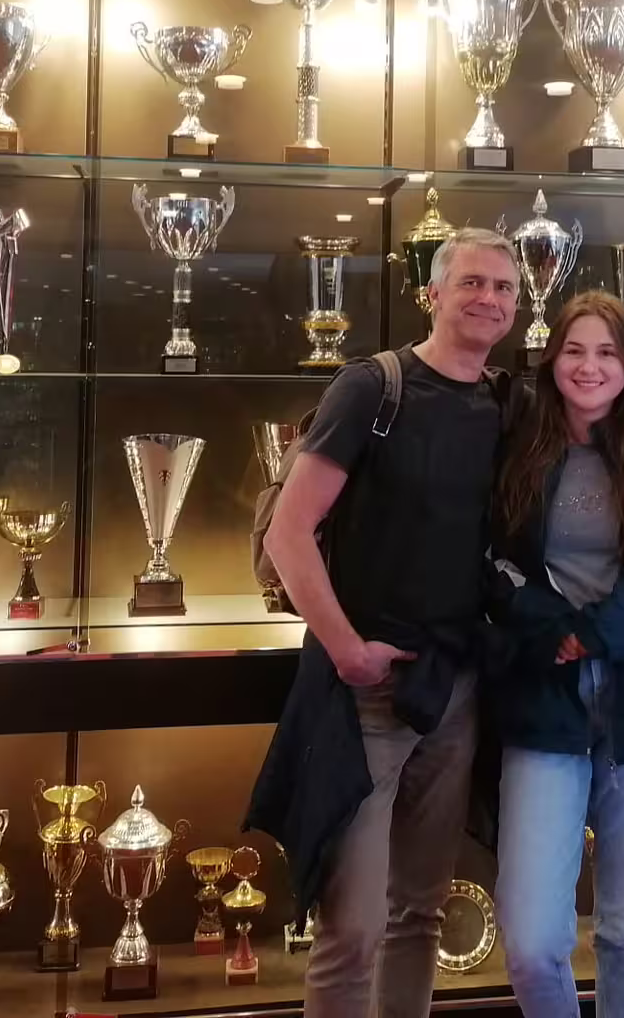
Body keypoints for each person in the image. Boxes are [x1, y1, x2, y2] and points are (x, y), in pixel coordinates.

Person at [246, 226, 523, 1018]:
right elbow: (288, 532)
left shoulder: (505, 402)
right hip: (364, 694)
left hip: (454, 690)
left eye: (503, 287)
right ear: (432, 295)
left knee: (419, 913)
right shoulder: (374, 388)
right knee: (353, 928)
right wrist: (349, 653)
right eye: (471, 283)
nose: (488, 299)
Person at [489, 291, 624, 1018]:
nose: (589, 366)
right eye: (574, 350)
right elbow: (489, 563)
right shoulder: (517, 452)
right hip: (544, 701)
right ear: (551, 362)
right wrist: (552, 628)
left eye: (606, 352)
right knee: (533, 940)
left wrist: (600, 631)